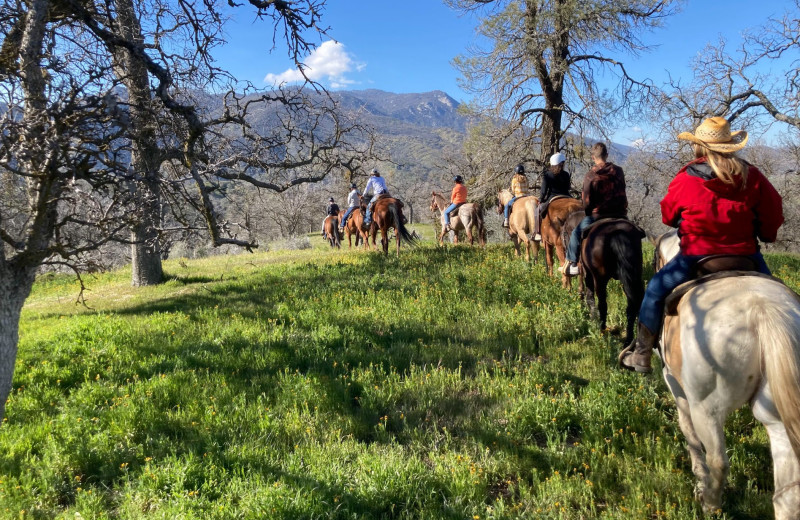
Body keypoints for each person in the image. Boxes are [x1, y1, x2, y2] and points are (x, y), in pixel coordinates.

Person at [620, 116, 784, 373]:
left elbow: (667, 215)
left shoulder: (686, 178)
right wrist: (766, 233)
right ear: (730, 145)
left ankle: (641, 353)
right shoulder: (752, 176)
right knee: (783, 303)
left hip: (696, 257)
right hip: (747, 257)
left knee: (653, 291)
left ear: (699, 146)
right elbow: (773, 213)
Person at [560, 143, 627, 276]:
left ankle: (573, 263)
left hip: (598, 215)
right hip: (620, 214)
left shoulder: (591, 175)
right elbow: (623, 190)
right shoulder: (619, 171)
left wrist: (588, 211)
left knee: (575, 233)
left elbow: (586, 202)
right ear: (606, 155)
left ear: (592, 157)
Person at [534, 152, 572, 240]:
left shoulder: (547, 175)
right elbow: (568, 187)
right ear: (561, 163)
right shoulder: (566, 174)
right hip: (566, 196)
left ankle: (538, 233)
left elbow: (543, 191)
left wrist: (541, 199)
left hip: (552, 197)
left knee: (537, 211)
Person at [503, 164, 529, 228]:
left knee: (507, 206)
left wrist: (514, 193)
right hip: (526, 196)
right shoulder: (526, 179)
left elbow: (513, 190)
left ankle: (506, 220)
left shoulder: (514, 179)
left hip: (518, 196)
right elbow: (528, 187)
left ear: (516, 172)